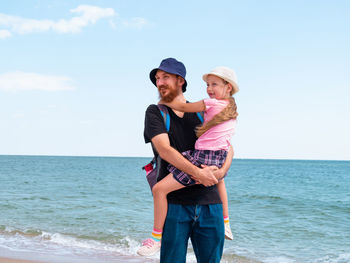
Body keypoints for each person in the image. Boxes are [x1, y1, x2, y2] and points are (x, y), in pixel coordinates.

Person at [139, 57, 234, 263]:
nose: (160, 82)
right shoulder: (155, 112)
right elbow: (165, 150)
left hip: (210, 203)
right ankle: (155, 239)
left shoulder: (203, 112)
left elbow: (227, 147)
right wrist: (198, 173)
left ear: (180, 80)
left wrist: (220, 172)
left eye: (166, 77)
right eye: (157, 78)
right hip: (175, 205)